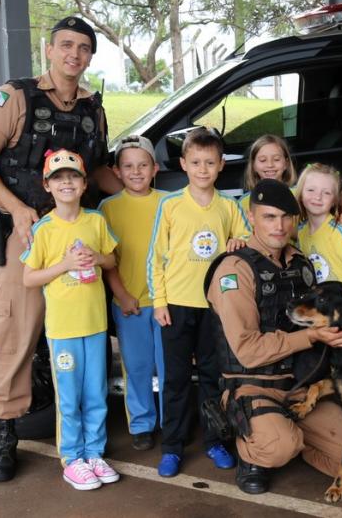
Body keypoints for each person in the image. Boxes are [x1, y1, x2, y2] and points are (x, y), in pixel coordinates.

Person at [0, 15, 120, 482]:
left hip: (80, 237)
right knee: (15, 333)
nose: (74, 54)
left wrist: (142, 180)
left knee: (85, 339)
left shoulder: (93, 107)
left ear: (91, 56)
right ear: (49, 50)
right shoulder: (16, 96)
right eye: (66, 45)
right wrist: (15, 208)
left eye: (84, 48)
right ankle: (6, 434)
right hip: (27, 235)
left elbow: (98, 171)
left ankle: (85, 443)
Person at [204, 179, 342, 495]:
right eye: (270, 217)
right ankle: (257, 449)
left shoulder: (301, 264)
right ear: (252, 216)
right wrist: (313, 336)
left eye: (287, 217)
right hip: (252, 384)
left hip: (298, 387)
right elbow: (247, 351)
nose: (280, 226)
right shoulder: (234, 269)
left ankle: (285, 436)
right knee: (278, 446)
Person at [147, 128, 248, 477]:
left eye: (209, 162)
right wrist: (159, 301)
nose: (203, 169)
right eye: (195, 162)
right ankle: (172, 447)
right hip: (176, 303)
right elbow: (156, 257)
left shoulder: (229, 206)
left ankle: (214, 441)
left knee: (211, 377)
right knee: (174, 378)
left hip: (214, 307)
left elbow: (246, 239)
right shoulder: (171, 205)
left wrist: (239, 242)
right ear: (183, 164)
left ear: (221, 165)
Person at [21, 150, 119, 490]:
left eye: (73, 177)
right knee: (69, 396)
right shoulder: (44, 229)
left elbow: (111, 260)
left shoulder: (95, 221)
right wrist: (63, 266)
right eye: (59, 178)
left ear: (84, 183)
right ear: (47, 186)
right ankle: (72, 458)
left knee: (96, 392)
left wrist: (98, 257)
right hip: (63, 329)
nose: (67, 182)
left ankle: (94, 453)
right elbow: (28, 278)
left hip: (95, 324)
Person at [98, 135, 164, 451]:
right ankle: (141, 424)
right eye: (128, 166)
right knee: (136, 366)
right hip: (130, 302)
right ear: (117, 171)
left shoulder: (170, 202)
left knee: (168, 365)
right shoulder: (108, 208)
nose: (136, 172)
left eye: (142, 165)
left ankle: (171, 419)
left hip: (165, 301)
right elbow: (109, 261)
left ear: (155, 168)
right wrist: (122, 294)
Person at [295, 163, 342, 283]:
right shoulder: (300, 231)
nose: (317, 197)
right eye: (311, 190)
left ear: (334, 200)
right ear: (301, 193)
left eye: (326, 193)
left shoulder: (337, 231)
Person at [239, 134, 297, 213]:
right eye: (263, 160)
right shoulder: (244, 202)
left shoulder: (299, 195)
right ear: (253, 165)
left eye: (276, 159)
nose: (270, 165)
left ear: (286, 163)